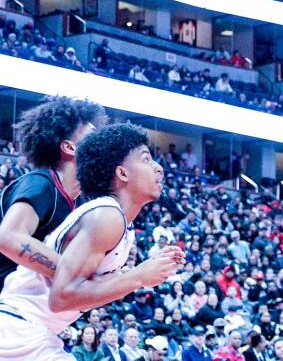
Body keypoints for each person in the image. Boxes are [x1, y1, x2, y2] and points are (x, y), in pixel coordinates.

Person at [0, 123, 185, 360]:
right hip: (19, 331)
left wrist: (131, 277)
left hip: (31, 332)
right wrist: (138, 277)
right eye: (146, 159)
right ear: (122, 173)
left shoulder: (120, 223)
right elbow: (62, 297)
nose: (159, 168)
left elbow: (80, 290)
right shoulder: (106, 215)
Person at [0, 97, 106, 290]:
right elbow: (8, 237)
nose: (101, 141)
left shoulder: (80, 201)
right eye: (92, 135)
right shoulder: (40, 185)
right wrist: (74, 275)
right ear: (69, 147)